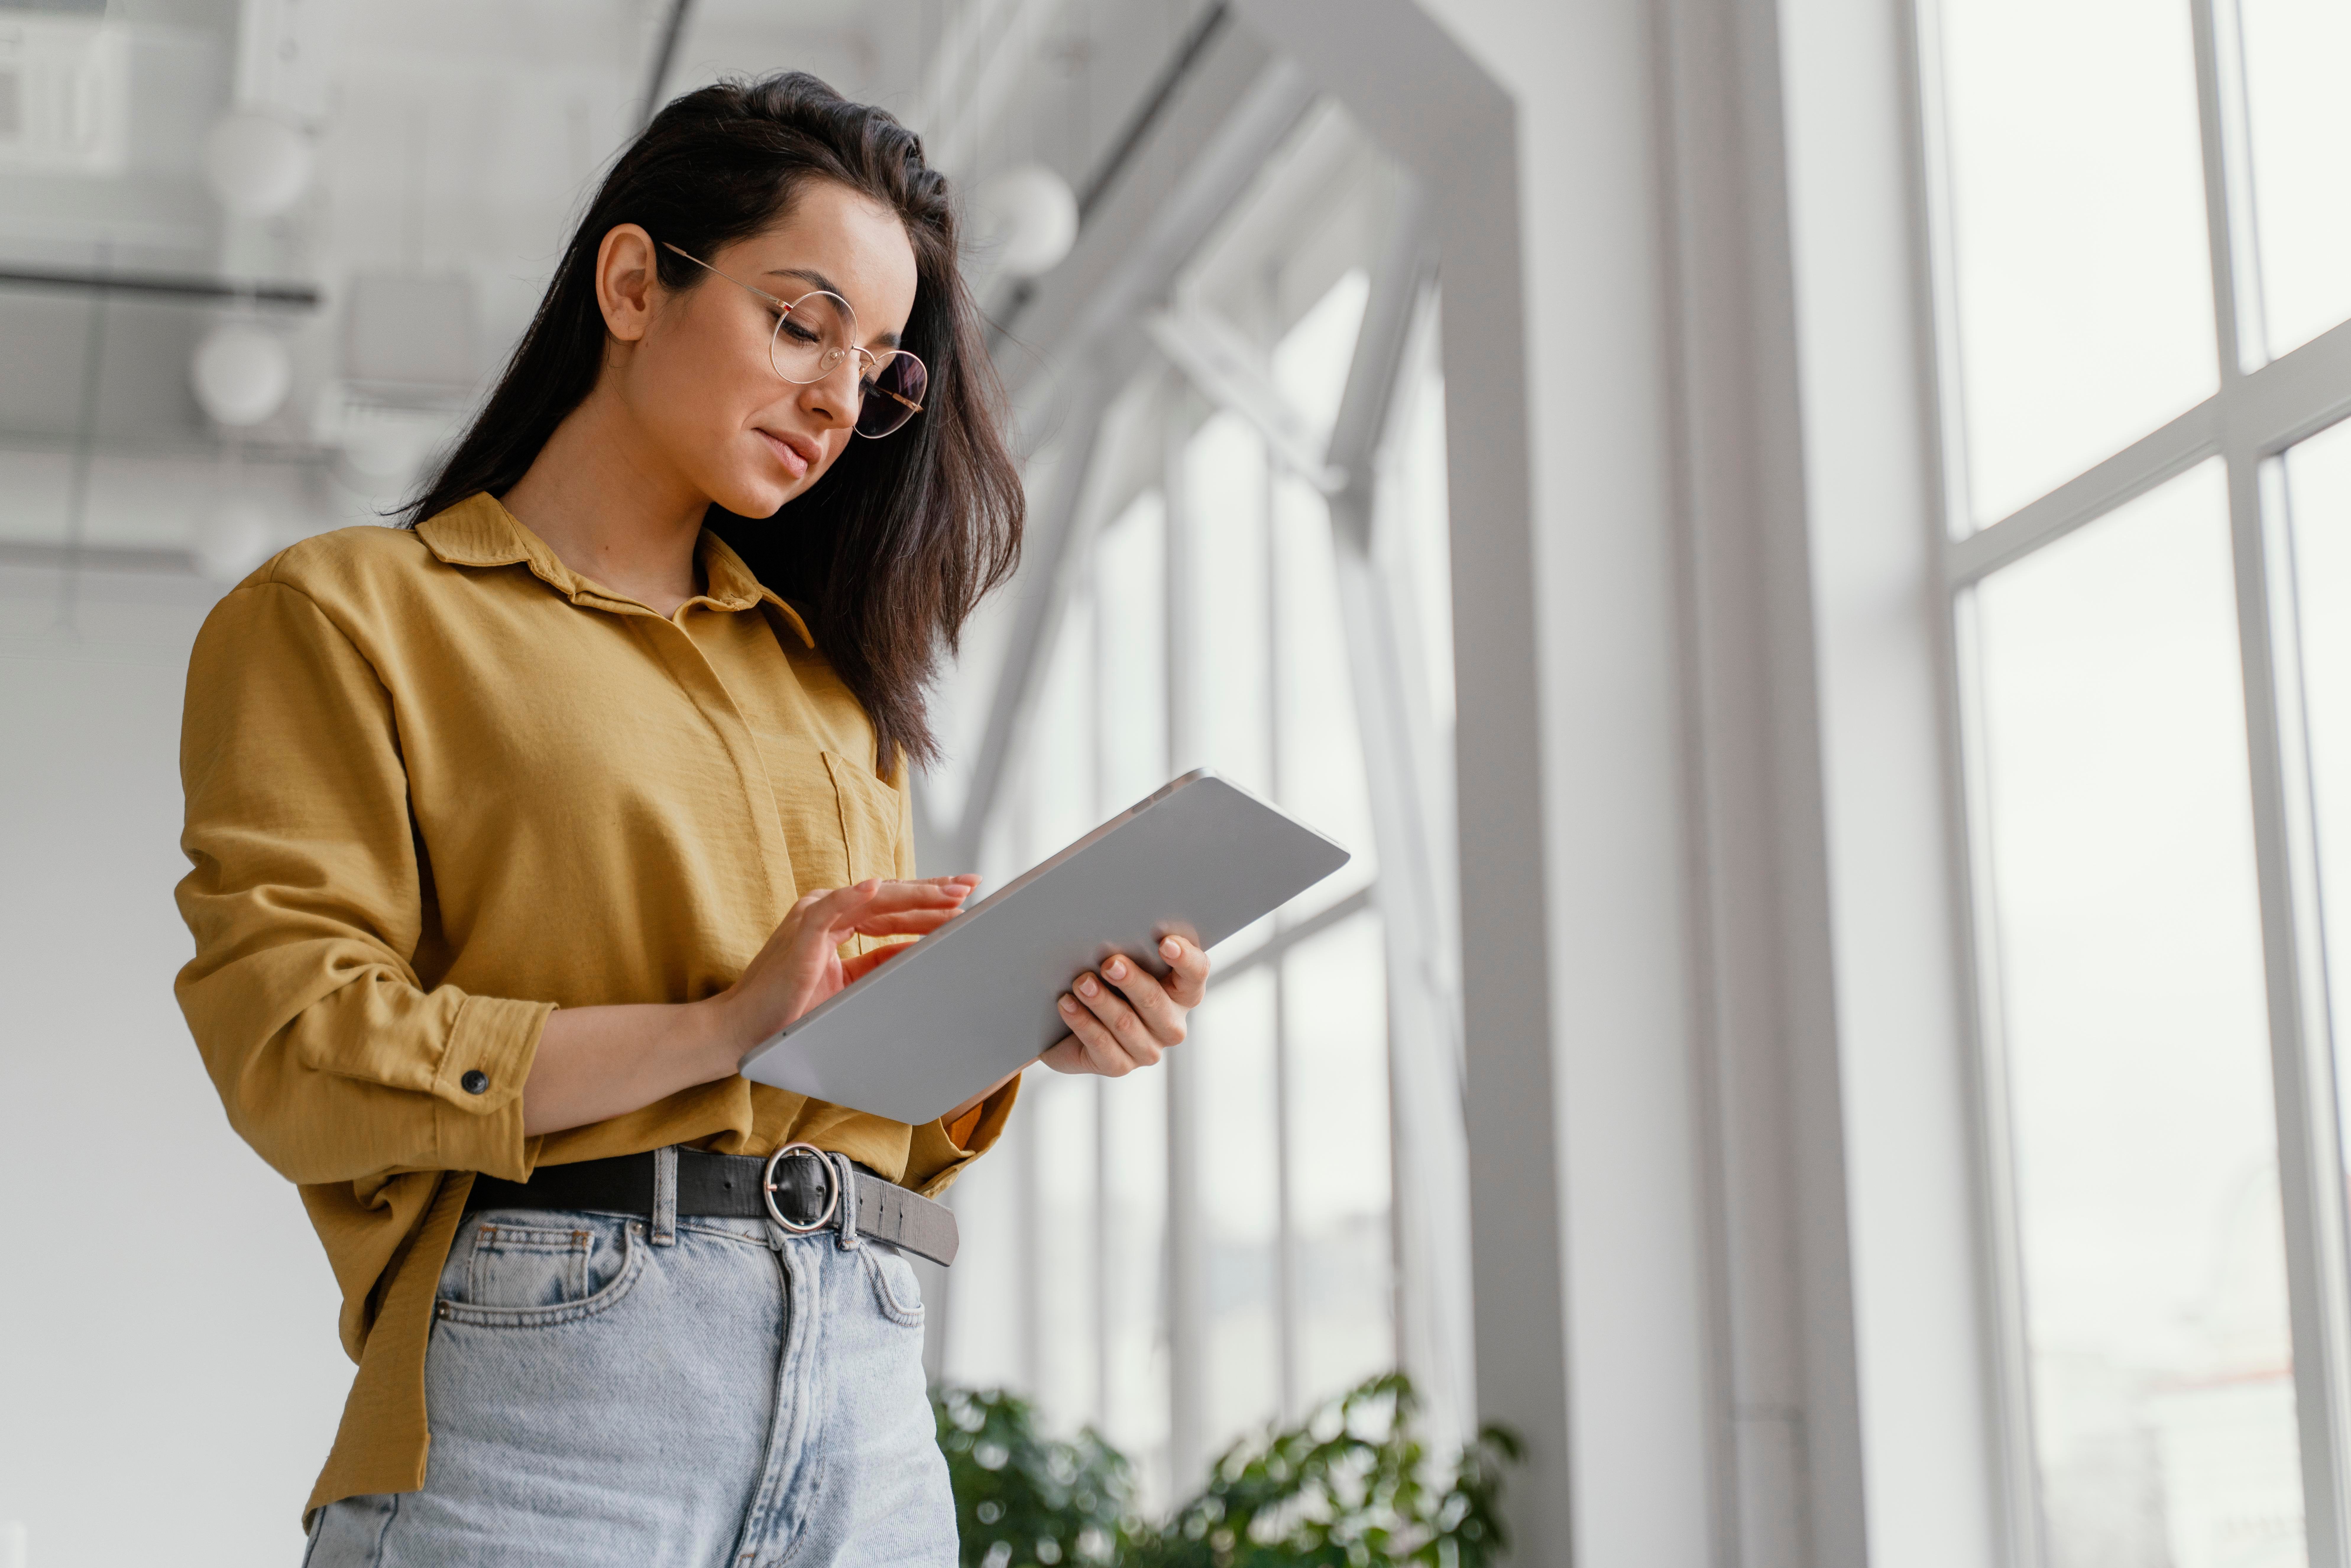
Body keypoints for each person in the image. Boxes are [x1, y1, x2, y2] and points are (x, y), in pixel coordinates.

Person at [173, 73, 1207, 1567]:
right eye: (800, 325)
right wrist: (716, 1028)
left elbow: (853, 1096)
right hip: (551, 1405)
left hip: (869, 1399)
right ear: (635, 281)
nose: (840, 399)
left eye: (878, 369)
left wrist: (1025, 1021)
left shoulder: (831, 689)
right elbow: (293, 1048)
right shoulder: (347, 616)